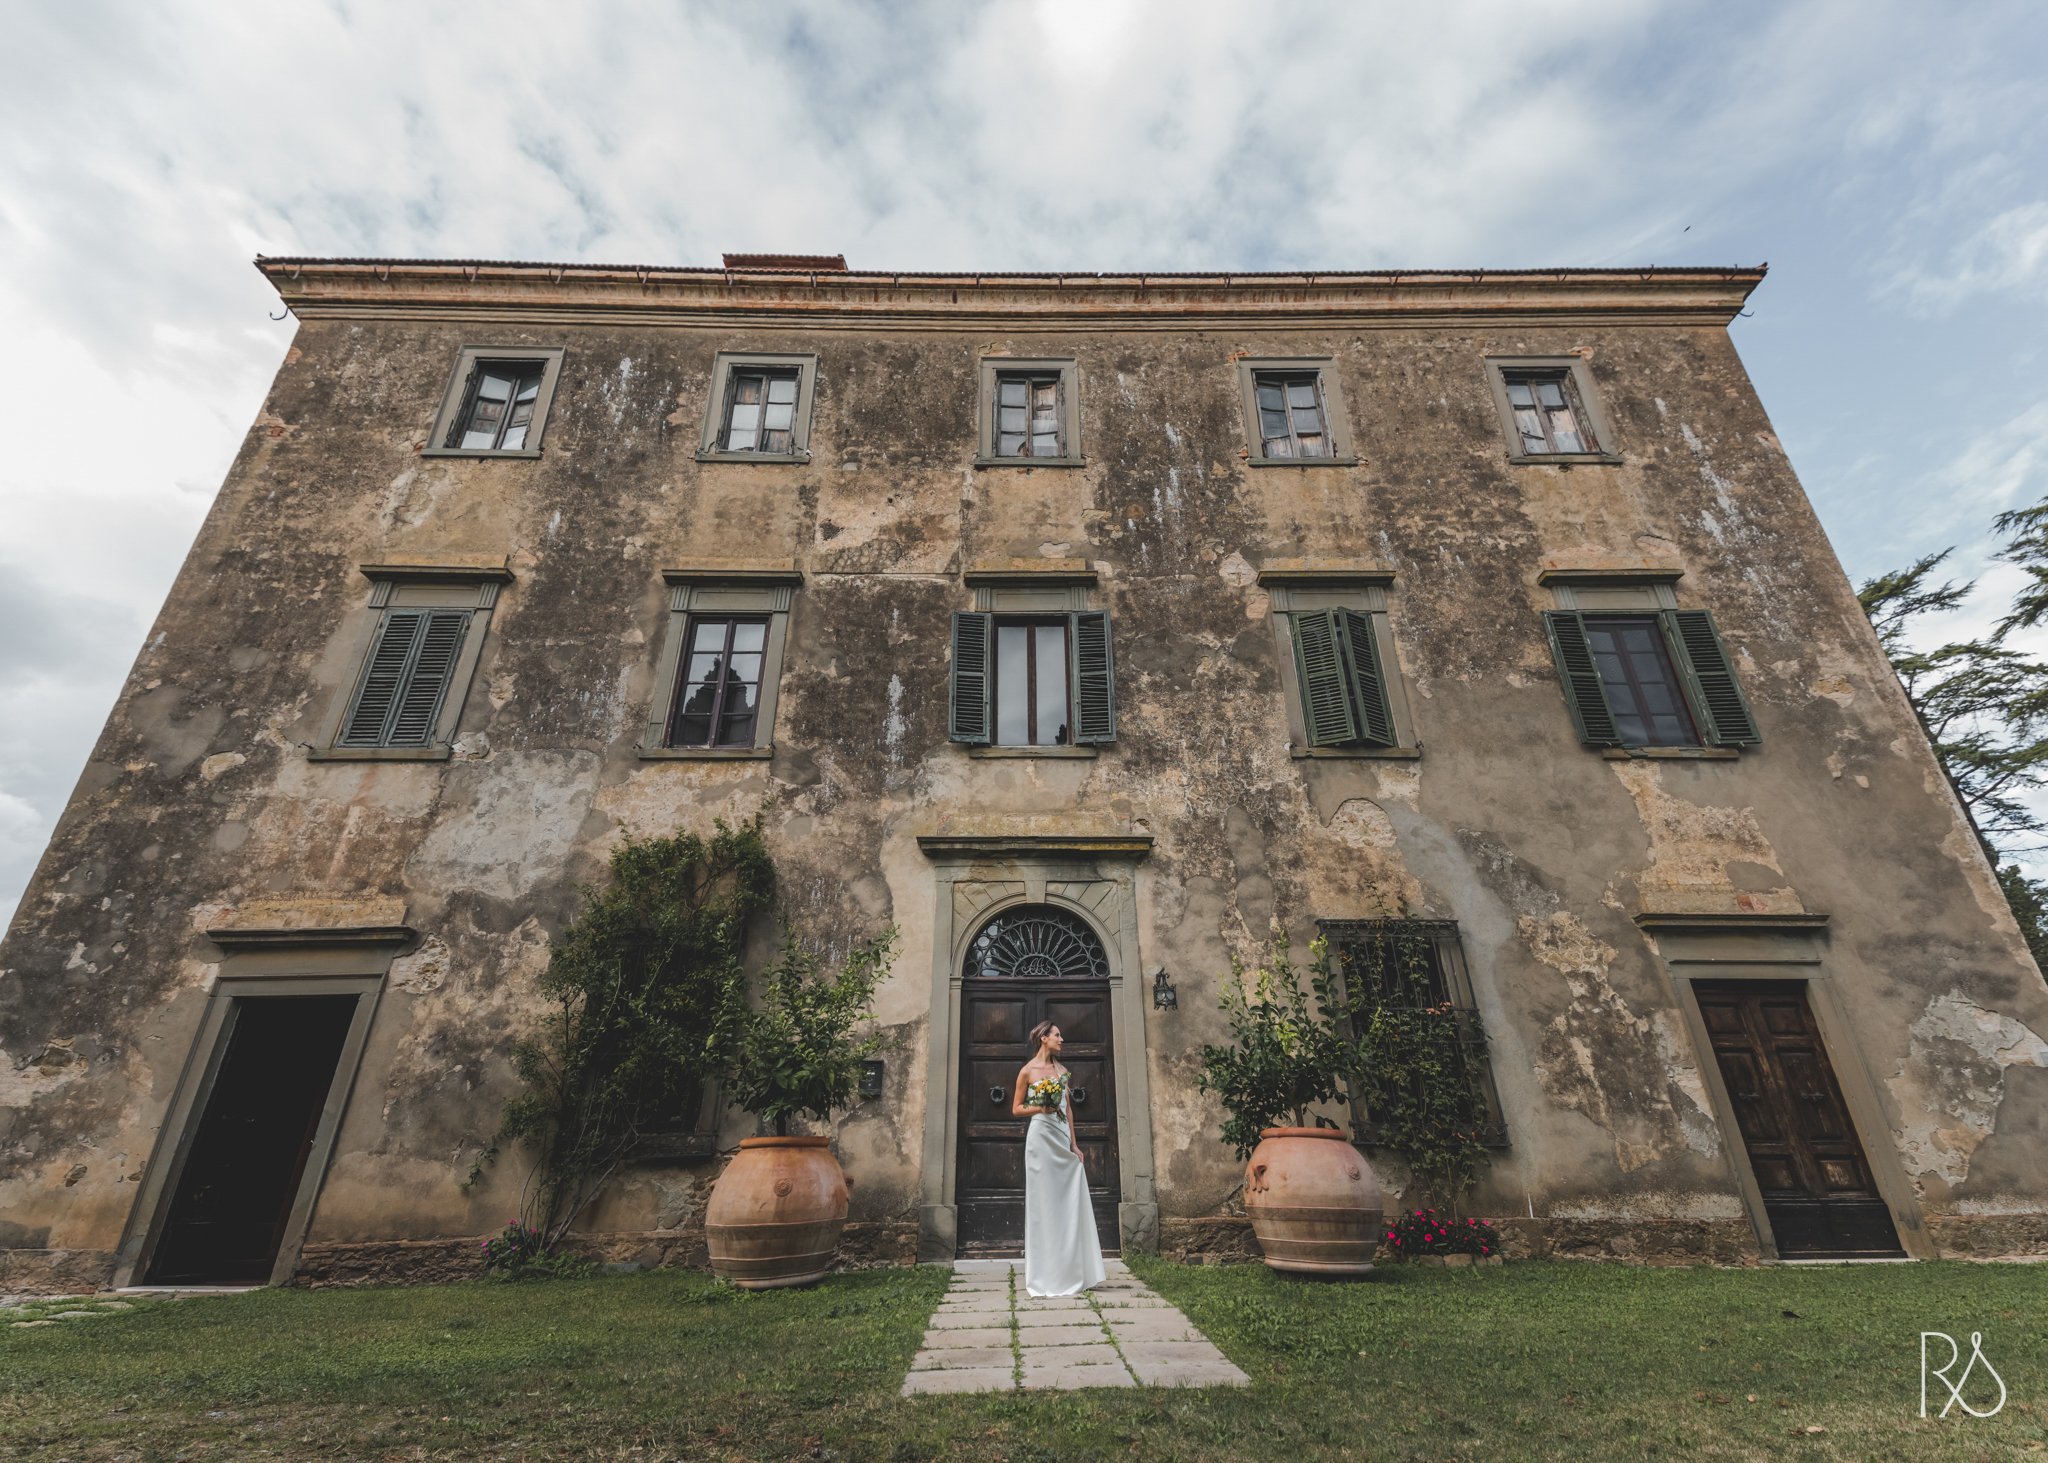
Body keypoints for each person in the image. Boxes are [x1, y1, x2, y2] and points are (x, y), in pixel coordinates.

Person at [1010, 1019, 1106, 1297]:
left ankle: (1075, 1270)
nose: (1061, 1040)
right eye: (1057, 1035)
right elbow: (1016, 1109)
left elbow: (1069, 1111)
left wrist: (1075, 1145)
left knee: (1069, 1201)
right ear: (1044, 1038)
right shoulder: (1027, 1071)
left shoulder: (1062, 1070)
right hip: (1040, 1141)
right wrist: (1040, 1107)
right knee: (1044, 1205)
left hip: (1062, 1139)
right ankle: (1045, 1275)